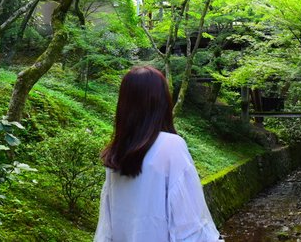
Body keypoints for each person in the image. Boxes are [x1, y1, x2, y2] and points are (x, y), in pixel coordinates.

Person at [94, 66, 222, 242]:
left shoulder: (116, 154)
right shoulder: (171, 146)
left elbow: (105, 228)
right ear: (162, 102)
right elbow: (190, 225)